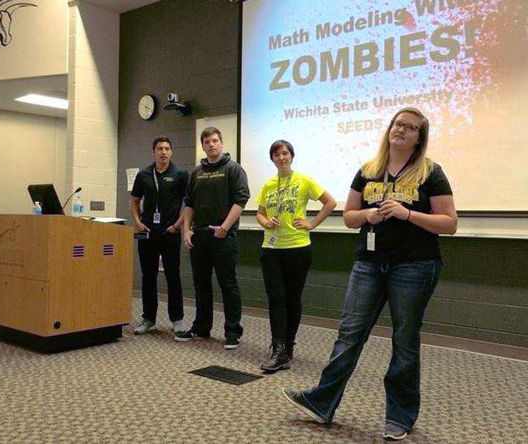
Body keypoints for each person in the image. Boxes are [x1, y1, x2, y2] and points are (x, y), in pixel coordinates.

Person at [282, 107, 458, 441]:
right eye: (397, 124)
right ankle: (322, 402)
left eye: (410, 127)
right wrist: (368, 215)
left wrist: (407, 214)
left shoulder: (430, 172)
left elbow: (449, 223)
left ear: (420, 138)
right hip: (369, 264)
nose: (401, 130)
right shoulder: (368, 170)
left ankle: (400, 416)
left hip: (414, 265)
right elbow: (349, 217)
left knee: (404, 341)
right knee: (349, 335)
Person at [256, 140, 336, 372]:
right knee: (276, 298)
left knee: (292, 299)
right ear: (271, 159)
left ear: (291, 156)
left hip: (298, 248)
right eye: (276, 154)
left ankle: (287, 346)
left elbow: (329, 202)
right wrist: (265, 222)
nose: (281, 158)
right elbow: (261, 214)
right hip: (271, 249)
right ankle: (278, 348)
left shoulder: (304, 180)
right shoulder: (268, 184)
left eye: (285, 153)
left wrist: (312, 224)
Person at [174, 127, 250, 349]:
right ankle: (201, 328)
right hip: (200, 237)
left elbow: (241, 200)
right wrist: (186, 230)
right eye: (207, 142)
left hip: (223, 236)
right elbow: (189, 203)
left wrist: (225, 228)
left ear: (222, 143)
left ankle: (233, 332)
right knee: (201, 285)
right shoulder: (197, 172)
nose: (212, 145)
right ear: (203, 145)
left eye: (215, 140)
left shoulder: (234, 169)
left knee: (228, 284)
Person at [130, 137, 189, 335]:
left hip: (169, 232)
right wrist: (137, 222)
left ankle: (177, 320)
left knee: (173, 276)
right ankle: (148, 319)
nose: (163, 152)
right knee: (148, 276)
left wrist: (177, 225)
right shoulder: (144, 175)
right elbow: (134, 201)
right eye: (159, 149)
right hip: (147, 233)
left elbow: (188, 204)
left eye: (167, 149)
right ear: (153, 152)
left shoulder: (180, 174)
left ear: (171, 152)